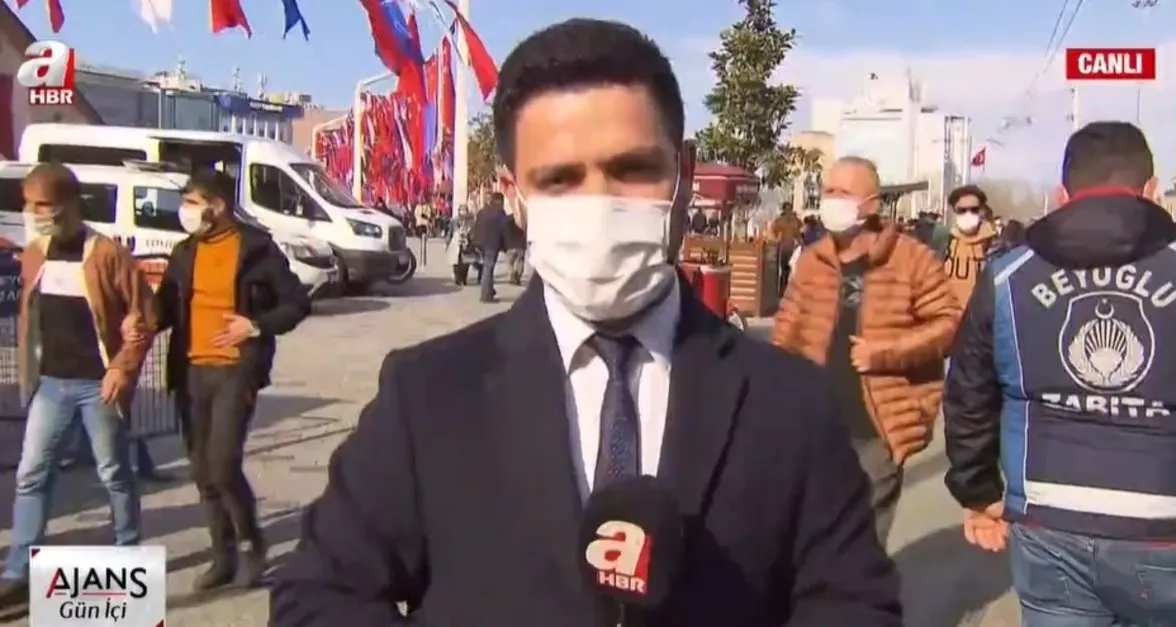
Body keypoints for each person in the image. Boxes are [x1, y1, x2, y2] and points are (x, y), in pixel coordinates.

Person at [270, 19, 900, 627]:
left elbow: (853, 603)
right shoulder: (427, 395)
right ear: (512, 193)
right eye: (560, 179)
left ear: (681, 171)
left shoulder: (788, 402)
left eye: (631, 170)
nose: (599, 205)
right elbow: (318, 597)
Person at [944, 121, 1176, 626]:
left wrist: (979, 494)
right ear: (1151, 191)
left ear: (1063, 194)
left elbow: (969, 392)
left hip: (1047, 519)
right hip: (1173, 523)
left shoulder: (1008, 275)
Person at [134, 169, 310, 591]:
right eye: (187, 203)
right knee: (201, 469)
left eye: (194, 202)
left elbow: (297, 304)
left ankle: (253, 544)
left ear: (218, 205)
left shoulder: (256, 249)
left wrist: (253, 325)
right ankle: (222, 555)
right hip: (191, 371)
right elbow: (164, 311)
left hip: (235, 369)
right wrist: (142, 321)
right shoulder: (184, 253)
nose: (187, 211)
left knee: (223, 462)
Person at [772, 156, 959, 544]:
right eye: (828, 191)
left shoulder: (911, 259)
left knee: (861, 549)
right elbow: (784, 338)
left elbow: (950, 325)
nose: (831, 200)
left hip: (878, 432)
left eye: (843, 192)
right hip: (815, 431)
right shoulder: (812, 261)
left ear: (871, 204)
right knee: (808, 544)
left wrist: (887, 352)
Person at [0, 164, 158, 602]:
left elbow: (145, 315)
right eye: (29, 204)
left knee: (113, 473)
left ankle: (127, 554)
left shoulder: (106, 254)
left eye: (43, 205)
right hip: (50, 384)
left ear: (69, 205)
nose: (34, 213)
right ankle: (18, 572)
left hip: (97, 386)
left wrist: (122, 367)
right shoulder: (35, 253)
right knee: (31, 474)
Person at [943, 185, 996, 310]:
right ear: (954, 212)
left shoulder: (995, 246)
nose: (968, 214)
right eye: (962, 210)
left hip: (981, 324)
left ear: (982, 210)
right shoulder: (943, 244)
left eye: (974, 210)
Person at [469, 192, 508, 302]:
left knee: (486, 268)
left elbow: (475, 226)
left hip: (480, 243)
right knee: (488, 268)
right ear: (500, 201)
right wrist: (505, 245)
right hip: (492, 244)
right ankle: (485, 295)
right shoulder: (500, 212)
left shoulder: (482, 211)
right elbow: (504, 230)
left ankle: (489, 291)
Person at [769, 202, 803, 294]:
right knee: (789, 269)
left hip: (784, 246)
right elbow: (798, 233)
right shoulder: (795, 221)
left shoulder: (780, 220)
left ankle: (782, 289)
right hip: (791, 247)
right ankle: (787, 289)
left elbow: (774, 232)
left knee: (783, 269)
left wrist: (776, 239)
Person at [502, 202, 527, 286]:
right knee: (520, 262)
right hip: (521, 245)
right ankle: (518, 277)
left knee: (509, 263)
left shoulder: (506, 221)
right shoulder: (523, 222)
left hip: (510, 245)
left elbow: (504, 233)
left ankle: (511, 274)